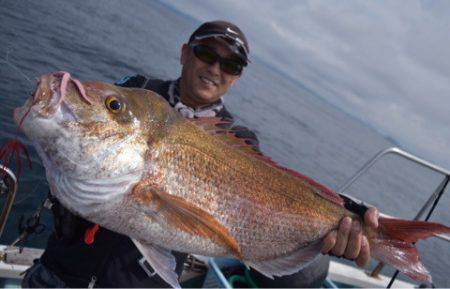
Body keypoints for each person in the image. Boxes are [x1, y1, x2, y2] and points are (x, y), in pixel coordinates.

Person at [22, 20, 378, 288]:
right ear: (184, 53)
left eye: (231, 65)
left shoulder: (240, 141)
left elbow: (277, 197)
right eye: (206, 53)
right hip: (61, 270)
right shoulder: (137, 91)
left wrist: (343, 216)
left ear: (236, 78)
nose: (215, 68)